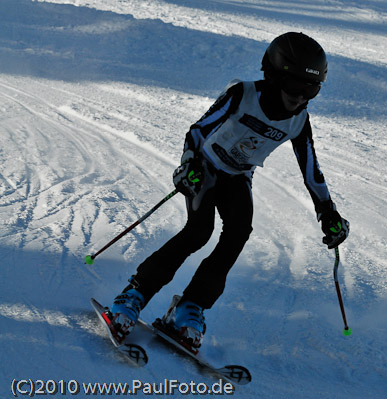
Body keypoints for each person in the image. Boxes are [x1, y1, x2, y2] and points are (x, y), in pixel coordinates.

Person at [107, 32, 350, 349]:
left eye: (312, 89)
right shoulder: (242, 95)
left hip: (237, 178)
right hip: (206, 169)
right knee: (198, 232)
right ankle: (133, 295)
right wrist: (189, 163)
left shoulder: (299, 121)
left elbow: (311, 171)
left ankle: (190, 307)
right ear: (274, 75)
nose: (301, 97)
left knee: (238, 233)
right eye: (295, 87)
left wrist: (328, 212)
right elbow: (198, 131)